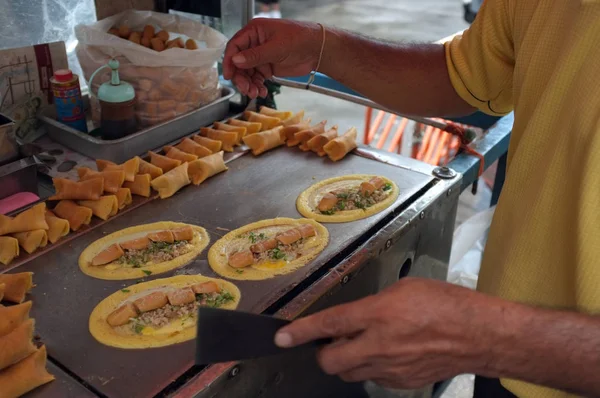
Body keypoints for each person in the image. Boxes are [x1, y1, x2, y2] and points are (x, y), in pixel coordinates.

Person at [222, 0, 600, 396]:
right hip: (509, 363)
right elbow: (462, 74)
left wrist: (490, 338)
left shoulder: (492, 340)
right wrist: (322, 47)